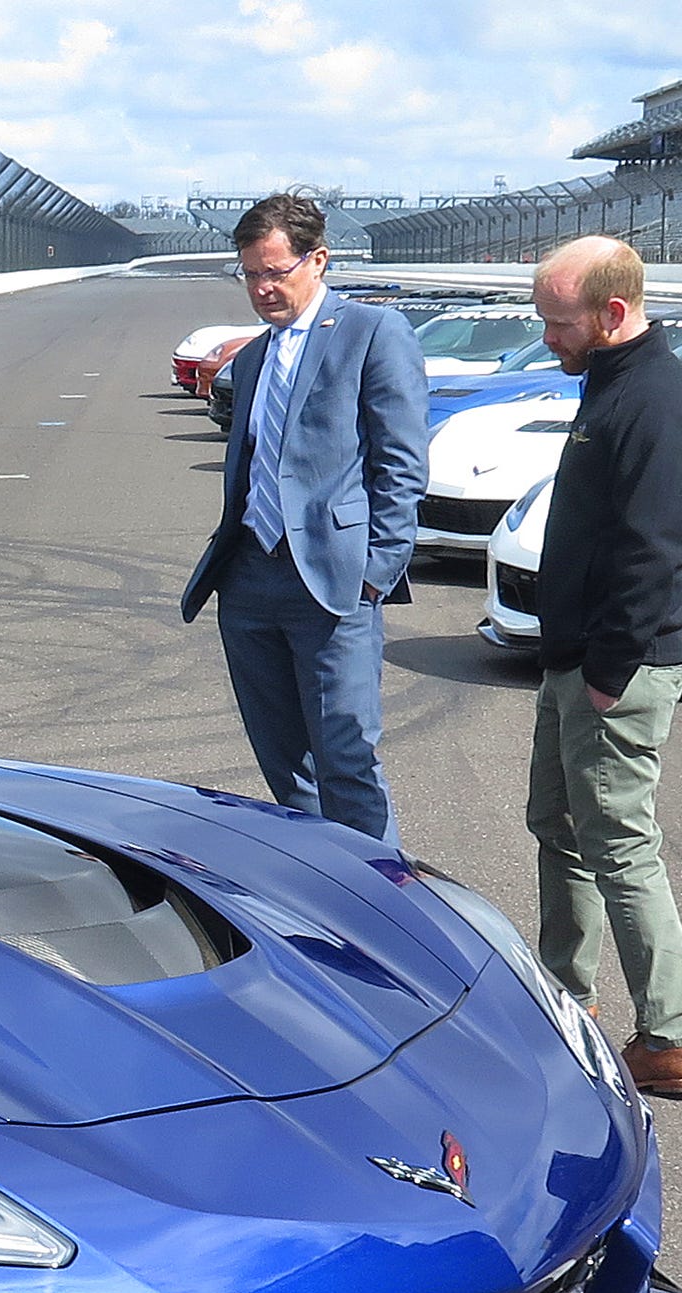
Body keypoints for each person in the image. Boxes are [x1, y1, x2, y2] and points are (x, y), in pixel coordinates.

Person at [176, 192, 426, 843]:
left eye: (275, 271)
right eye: (250, 273)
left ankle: (385, 913)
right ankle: (324, 903)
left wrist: (375, 570)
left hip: (334, 584)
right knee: (288, 771)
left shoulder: (373, 333)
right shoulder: (254, 357)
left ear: (318, 260)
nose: (261, 287)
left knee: (347, 762)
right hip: (250, 581)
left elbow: (401, 463)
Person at [525, 235, 682, 1098]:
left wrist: (608, 671)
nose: (547, 338)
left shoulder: (656, 401)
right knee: (559, 827)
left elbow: (659, 553)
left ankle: (671, 1039)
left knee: (621, 848)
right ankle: (565, 999)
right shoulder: (612, 382)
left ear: (613, 312)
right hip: (578, 663)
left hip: (614, 674)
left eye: (559, 323)